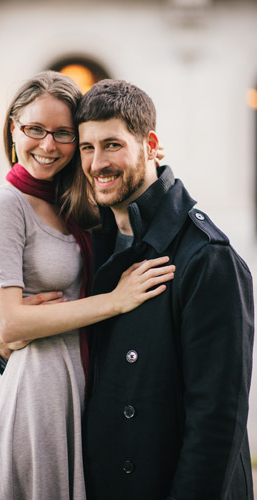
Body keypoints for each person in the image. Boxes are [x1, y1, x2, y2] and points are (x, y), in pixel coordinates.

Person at [0, 71, 175, 500]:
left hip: (85, 386)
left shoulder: (76, 199)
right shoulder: (5, 205)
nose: (47, 145)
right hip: (40, 395)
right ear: (13, 129)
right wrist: (114, 301)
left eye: (62, 134)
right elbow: (7, 325)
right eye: (35, 129)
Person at [75, 79, 253, 499]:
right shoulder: (88, 247)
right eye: (87, 147)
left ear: (150, 145)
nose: (97, 162)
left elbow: (216, 422)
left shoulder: (206, 257)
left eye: (112, 145)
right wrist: (8, 348)